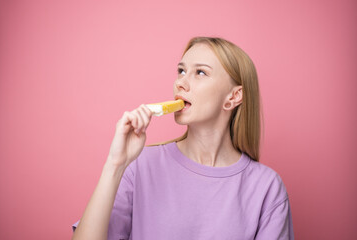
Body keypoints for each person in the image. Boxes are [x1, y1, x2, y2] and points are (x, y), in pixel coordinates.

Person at [71, 37, 294, 240]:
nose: (180, 83)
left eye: (200, 73)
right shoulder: (140, 166)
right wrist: (115, 165)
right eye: (181, 71)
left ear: (233, 97)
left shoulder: (266, 188)